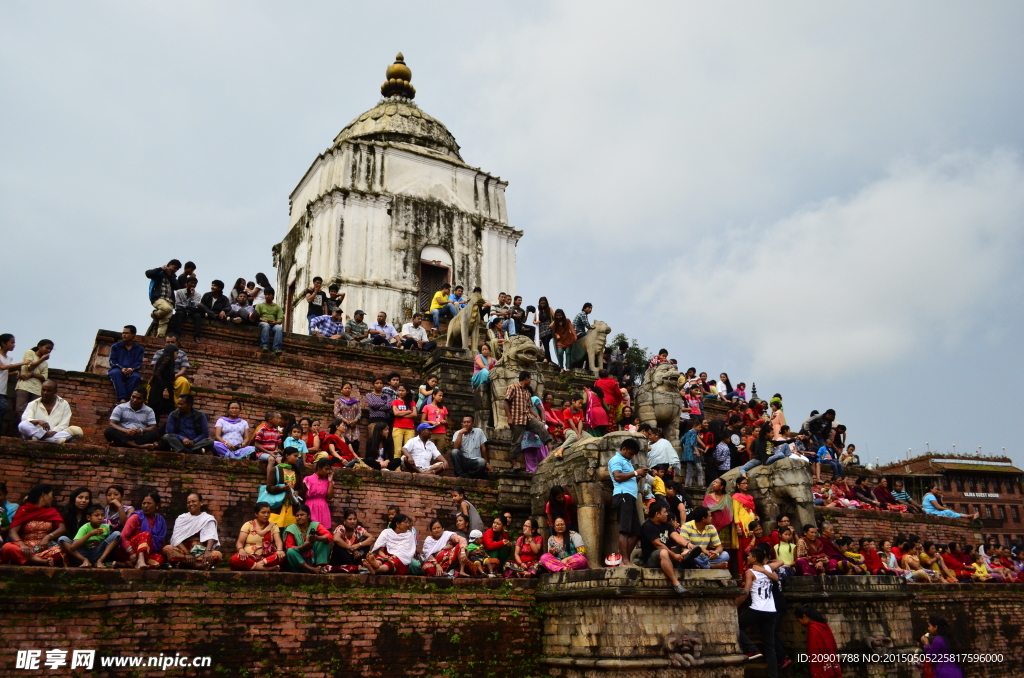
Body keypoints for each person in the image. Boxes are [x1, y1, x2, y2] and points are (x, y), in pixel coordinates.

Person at [735, 546, 782, 673]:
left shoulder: (751, 572)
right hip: (771, 611)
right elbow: (780, 562)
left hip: (757, 609)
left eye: (749, 556)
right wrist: (764, 567)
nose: (747, 557)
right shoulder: (768, 567)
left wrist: (735, 607)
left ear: (754, 559)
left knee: (735, 626)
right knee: (769, 646)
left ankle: (752, 649)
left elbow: (745, 592)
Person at [641, 502, 700, 594]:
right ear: (657, 514)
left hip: (667, 556)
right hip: (652, 559)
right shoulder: (647, 526)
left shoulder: (667, 525)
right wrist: (674, 555)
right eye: (665, 512)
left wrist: (688, 544)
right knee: (663, 552)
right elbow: (658, 545)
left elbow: (677, 536)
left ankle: (686, 554)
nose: (667, 514)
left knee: (682, 546)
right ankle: (675, 583)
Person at [0, 484, 66, 566]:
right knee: (7, 547)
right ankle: (39, 561)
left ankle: (30, 560)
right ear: (44, 495)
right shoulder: (24, 510)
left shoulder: (51, 511)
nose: (52, 498)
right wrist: (22, 545)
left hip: (43, 549)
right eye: (51, 495)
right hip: (24, 549)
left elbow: (62, 528)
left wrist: (47, 537)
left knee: (59, 551)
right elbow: (12, 531)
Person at [608, 437, 647, 565]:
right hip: (622, 495)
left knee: (636, 531)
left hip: (630, 496)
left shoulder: (626, 461)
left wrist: (638, 475)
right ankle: (624, 560)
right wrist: (636, 472)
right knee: (624, 529)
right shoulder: (616, 459)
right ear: (624, 449)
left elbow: (628, 479)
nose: (632, 457)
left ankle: (624, 559)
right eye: (630, 453)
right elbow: (618, 476)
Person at [505, 371, 553, 469]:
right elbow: (506, 403)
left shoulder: (527, 392)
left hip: (528, 417)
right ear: (526, 379)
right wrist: (509, 417)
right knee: (516, 441)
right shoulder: (512, 387)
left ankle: (549, 447)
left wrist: (536, 415)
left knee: (540, 426)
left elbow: (529, 407)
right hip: (517, 418)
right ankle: (514, 463)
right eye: (530, 379)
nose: (531, 381)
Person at [162, 492, 222, 569]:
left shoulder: (207, 518)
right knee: (167, 549)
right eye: (188, 502)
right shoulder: (181, 518)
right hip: (184, 552)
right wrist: (187, 553)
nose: (191, 504)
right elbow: (176, 538)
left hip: (202, 552)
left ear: (200, 503)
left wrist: (208, 551)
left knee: (217, 554)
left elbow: (211, 536)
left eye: (193, 501)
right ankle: (198, 565)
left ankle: (184, 564)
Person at [18, 380, 83, 444]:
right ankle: (50, 440)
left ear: (55, 391)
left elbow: (64, 423)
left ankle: (44, 439)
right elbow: (25, 419)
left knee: (77, 430)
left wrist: (54, 431)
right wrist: (38, 421)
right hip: (36, 433)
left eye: (49, 391)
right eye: (43, 390)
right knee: (22, 425)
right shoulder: (33, 404)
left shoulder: (64, 404)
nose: (45, 393)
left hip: (56, 433)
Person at [57, 503, 121, 568]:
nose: (100, 518)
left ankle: (100, 561)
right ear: (88, 517)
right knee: (62, 538)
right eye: (96, 515)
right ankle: (84, 560)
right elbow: (73, 547)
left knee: (116, 534)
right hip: (82, 553)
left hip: (97, 553)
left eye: (102, 515)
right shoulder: (85, 528)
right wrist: (90, 534)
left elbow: (108, 544)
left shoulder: (106, 527)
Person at [230, 502, 285, 571]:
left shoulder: (273, 526)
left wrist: (279, 550)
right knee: (234, 559)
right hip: (248, 557)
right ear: (256, 514)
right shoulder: (248, 525)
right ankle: (265, 568)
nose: (266, 515)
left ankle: (255, 566)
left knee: (282, 556)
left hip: (266, 558)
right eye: (263, 512)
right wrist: (241, 550)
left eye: (268, 513)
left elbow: (278, 541)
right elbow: (239, 542)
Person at [119, 492, 167, 569]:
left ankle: (126, 565)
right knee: (146, 535)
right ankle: (140, 561)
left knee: (159, 560)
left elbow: (161, 542)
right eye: (144, 503)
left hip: (148, 552)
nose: (145, 506)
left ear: (157, 505)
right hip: (130, 552)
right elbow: (123, 536)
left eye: (149, 503)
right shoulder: (136, 517)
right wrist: (131, 552)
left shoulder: (161, 520)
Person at [792, 605, 842, 678]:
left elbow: (813, 651)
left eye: (799, 620)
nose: (800, 623)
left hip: (821, 664)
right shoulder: (823, 625)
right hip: (830, 660)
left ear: (804, 616)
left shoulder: (813, 629)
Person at [282, 503, 332, 574]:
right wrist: (303, 546)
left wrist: (316, 538)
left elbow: (329, 536)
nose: (299, 517)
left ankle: (320, 567)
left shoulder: (315, 525)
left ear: (308, 516)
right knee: (290, 551)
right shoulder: (291, 528)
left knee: (323, 541)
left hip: (313, 556)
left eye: (302, 515)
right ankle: (311, 569)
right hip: (299, 560)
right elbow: (289, 546)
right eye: (297, 515)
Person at [15, 339, 52, 421]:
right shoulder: (30, 353)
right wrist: (42, 359)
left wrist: (32, 374)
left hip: (37, 389)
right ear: (39, 346)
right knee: (20, 410)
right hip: (24, 386)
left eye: (50, 349)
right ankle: (20, 430)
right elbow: (30, 367)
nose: (48, 350)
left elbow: (44, 378)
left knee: (33, 413)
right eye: (47, 348)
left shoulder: (45, 364)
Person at [107, 325, 145, 403]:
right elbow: (112, 361)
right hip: (117, 369)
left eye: (127, 333)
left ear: (133, 335)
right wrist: (121, 368)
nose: (124, 335)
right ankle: (122, 399)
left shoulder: (139, 349)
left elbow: (139, 363)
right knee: (115, 373)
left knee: (136, 377)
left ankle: (127, 401)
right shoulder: (115, 346)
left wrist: (132, 369)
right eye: (123, 333)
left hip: (132, 371)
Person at [266, 447, 302, 528]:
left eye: (298, 457)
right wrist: (281, 489)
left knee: (290, 531)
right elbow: (269, 487)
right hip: (278, 507)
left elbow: (301, 489)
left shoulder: (297, 472)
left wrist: (298, 492)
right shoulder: (275, 470)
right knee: (275, 531)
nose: (297, 459)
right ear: (287, 456)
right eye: (295, 456)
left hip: (292, 508)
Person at [0, 334, 29, 432]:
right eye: (12, 342)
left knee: (3, 408)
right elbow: (2, 367)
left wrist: (15, 372)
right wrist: (22, 363)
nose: (14, 345)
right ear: (3, 343)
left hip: (2, 390)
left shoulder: (9, 358)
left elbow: (5, 373)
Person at [146, 259, 181, 337]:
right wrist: (160, 269)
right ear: (170, 265)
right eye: (174, 267)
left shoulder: (172, 276)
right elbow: (148, 273)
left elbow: (177, 287)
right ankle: (154, 314)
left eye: (177, 269)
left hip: (170, 300)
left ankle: (159, 337)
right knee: (167, 308)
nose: (175, 270)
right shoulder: (159, 272)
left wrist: (170, 276)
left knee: (165, 320)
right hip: (158, 298)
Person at [451, 415, 489, 479]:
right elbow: (455, 448)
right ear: (462, 424)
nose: (466, 424)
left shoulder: (479, 431)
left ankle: (470, 476)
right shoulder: (457, 433)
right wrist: (460, 434)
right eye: (464, 422)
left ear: (473, 424)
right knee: (454, 452)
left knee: (482, 462)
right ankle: (460, 475)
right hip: (463, 460)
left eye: (468, 422)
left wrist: (487, 463)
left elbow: (483, 448)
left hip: (475, 460)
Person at [302, 459, 335, 529]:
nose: (328, 471)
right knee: (311, 529)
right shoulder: (308, 479)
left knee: (324, 530)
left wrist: (330, 481)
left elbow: (329, 497)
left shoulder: (327, 482)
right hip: (310, 507)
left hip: (323, 508)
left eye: (329, 469)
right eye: (326, 469)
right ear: (319, 468)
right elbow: (302, 494)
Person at [169, 276, 204, 343]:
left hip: (191, 310)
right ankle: (177, 334)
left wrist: (191, 296)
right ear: (187, 283)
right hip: (182, 309)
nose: (193, 285)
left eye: (195, 283)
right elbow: (178, 304)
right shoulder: (179, 292)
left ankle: (196, 336)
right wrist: (187, 306)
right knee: (180, 314)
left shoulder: (197, 295)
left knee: (198, 316)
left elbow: (195, 306)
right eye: (191, 283)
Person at [256, 288, 285, 354]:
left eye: (269, 294)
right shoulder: (259, 305)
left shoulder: (278, 307)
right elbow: (256, 316)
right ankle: (264, 346)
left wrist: (275, 322)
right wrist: (264, 320)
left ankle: (276, 348)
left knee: (279, 328)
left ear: (273, 296)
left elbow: (280, 320)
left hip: (273, 324)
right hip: (262, 323)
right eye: (265, 294)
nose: (267, 296)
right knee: (266, 325)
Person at [681, 420, 707, 487]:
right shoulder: (694, 432)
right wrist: (697, 451)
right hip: (694, 454)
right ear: (695, 426)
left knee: (689, 470)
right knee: (699, 469)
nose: (699, 429)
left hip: (687, 454)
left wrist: (684, 449)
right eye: (699, 427)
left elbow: (681, 442)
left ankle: (687, 484)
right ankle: (701, 485)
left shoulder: (687, 433)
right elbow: (693, 443)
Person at [534, 297, 555, 363]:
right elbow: (533, 321)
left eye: (544, 303)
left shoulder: (549, 309)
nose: (543, 304)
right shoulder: (537, 310)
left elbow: (555, 318)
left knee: (546, 343)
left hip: (548, 328)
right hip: (541, 329)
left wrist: (552, 323)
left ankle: (546, 358)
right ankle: (549, 359)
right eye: (541, 303)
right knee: (545, 344)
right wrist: (536, 322)